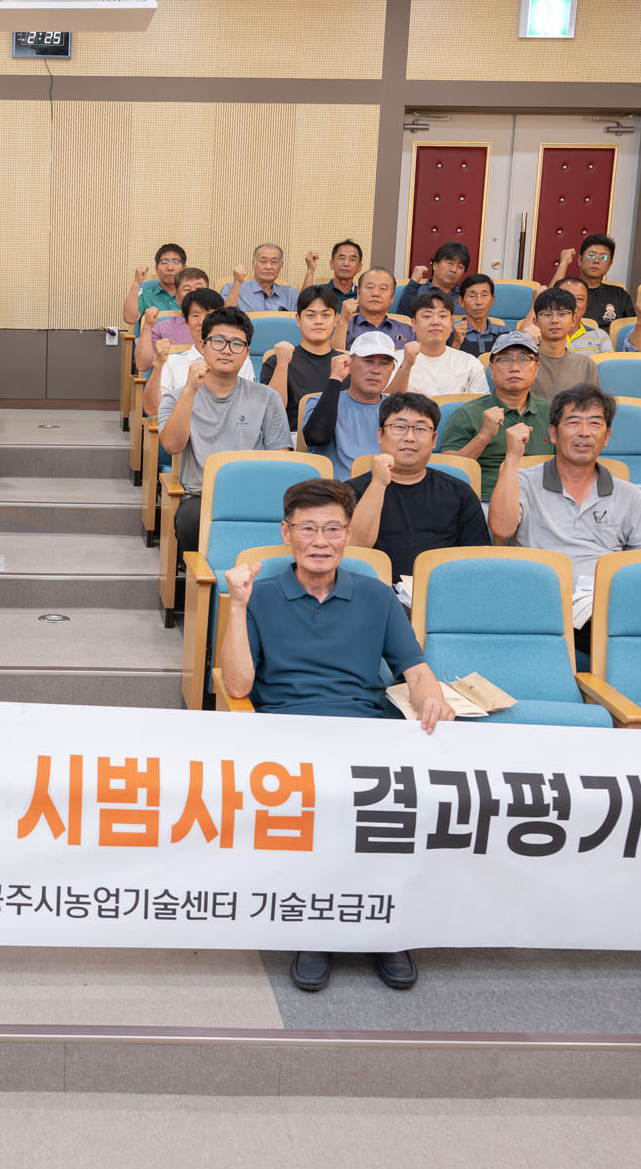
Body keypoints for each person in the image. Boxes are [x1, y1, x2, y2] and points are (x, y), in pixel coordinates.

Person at [219, 478, 449, 995]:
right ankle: (317, 927)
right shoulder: (258, 595)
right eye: (308, 529)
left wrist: (431, 696)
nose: (320, 541)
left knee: (397, 804)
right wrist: (236, 606)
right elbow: (237, 685)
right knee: (322, 802)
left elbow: (414, 670)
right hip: (287, 731)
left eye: (332, 529)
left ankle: (383, 925)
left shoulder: (375, 595)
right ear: (286, 534)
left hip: (363, 729)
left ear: (348, 536)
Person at [490, 384, 641, 621]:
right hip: (538, 602)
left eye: (595, 423)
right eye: (573, 422)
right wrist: (512, 458)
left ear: (607, 437)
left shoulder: (628, 494)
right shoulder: (522, 482)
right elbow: (501, 528)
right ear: (553, 434)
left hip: (606, 608)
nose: (584, 432)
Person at [160, 309, 294, 557]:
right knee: (191, 522)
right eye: (218, 341)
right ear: (203, 346)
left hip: (254, 495)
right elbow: (171, 445)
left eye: (236, 344)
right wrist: (190, 390)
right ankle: (200, 578)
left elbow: (281, 459)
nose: (227, 350)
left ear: (247, 352)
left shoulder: (267, 398)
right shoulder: (177, 397)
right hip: (201, 496)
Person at [346, 392, 490, 571]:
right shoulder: (350, 492)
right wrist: (378, 484)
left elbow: (477, 560)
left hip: (438, 585)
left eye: (420, 429)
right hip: (375, 587)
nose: (410, 437)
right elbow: (353, 553)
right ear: (380, 435)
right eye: (399, 427)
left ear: (434, 440)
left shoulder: (459, 492)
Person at [439, 331, 552, 490]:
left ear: (537, 368)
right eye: (505, 360)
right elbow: (448, 473)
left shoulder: (553, 413)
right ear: (491, 370)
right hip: (486, 498)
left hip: (543, 498)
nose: (514, 368)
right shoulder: (468, 413)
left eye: (524, 359)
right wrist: (484, 435)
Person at [303, 333, 399, 480]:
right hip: (336, 490)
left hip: (386, 487)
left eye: (385, 363)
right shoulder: (319, 402)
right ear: (350, 364)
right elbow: (317, 437)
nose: (376, 370)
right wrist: (336, 378)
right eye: (368, 361)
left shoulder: (399, 409)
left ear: (393, 369)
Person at [261, 285, 343, 427]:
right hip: (290, 437)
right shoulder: (277, 360)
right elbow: (271, 412)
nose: (318, 321)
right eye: (310, 315)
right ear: (298, 319)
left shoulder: (346, 364)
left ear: (336, 319)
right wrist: (282, 364)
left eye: (326, 315)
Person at [138, 268, 217, 407]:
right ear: (177, 297)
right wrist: (148, 326)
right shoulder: (162, 327)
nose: (194, 294)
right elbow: (143, 365)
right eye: (187, 289)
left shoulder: (225, 337)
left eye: (199, 289)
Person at [146, 286, 230, 415]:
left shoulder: (238, 360)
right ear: (186, 322)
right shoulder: (172, 362)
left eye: (209, 315)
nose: (202, 321)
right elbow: (153, 409)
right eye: (196, 315)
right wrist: (158, 365)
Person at [393, 289, 488, 398]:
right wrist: (406, 365)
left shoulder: (470, 363)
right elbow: (387, 402)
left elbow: (480, 405)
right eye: (427, 316)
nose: (435, 322)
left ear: (451, 322)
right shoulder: (395, 361)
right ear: (414, 324)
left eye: (442, 316)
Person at [521, 289, 598, 400]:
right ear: (535, 322)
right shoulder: (523, 361)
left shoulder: (585, 364)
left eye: (562, 314)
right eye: (547, 314)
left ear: (574, 319)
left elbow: (592, 405)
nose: (555, 320)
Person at [551, 233, 634, 335]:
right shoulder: (568, 290)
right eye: (591, 255)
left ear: (609, 264)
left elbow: (630, 332)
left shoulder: (620, 294)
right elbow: (548, 303)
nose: (596, 261)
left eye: (603, 257)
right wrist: (564, 262)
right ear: (579, 260)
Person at [340, 267, 412, 348]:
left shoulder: (408, 331)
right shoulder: (343, 327)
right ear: (358, 293)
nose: (375, 293)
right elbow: (335, 354)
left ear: (392, 297)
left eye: (383, 289)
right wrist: (343, 321)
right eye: (370, 287)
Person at [394, 241, 470, 317]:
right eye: (450, 263)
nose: (454, 270)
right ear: (435, 265)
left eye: (460, 267)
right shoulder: (415, 291)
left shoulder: (466, 295)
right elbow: (403, 319)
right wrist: (413, 282)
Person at [124, 242, 189, 325]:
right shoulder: (145, 295)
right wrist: (136, 283)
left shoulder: (190, 295)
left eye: (175, 262)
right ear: (156, 268)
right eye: (164, 262)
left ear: (184, 268)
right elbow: (130, 319)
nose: (170, 268)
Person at [222, 244, 296, 312]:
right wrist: (237, 283)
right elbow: (225, 318)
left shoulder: (291, 294)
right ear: (253, 264)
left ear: (281, 265)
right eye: (263, 261)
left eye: (274, 262)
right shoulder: (231, 288)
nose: (268, 267)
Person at [452, 274, 510, 356]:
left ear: (492, 300)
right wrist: (456, 344)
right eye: (472, 296)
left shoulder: (506, 334)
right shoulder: (449, 334)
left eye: (484, 295)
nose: (479, 302)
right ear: (461, 301)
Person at [302, 239, 363, 312]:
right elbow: (303, 308)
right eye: (342, 258)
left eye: (352, 259)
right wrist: (310, 270)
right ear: (332, 264)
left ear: (359, 267)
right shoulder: (320, 291)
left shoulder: (363, 295)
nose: (346, 263)